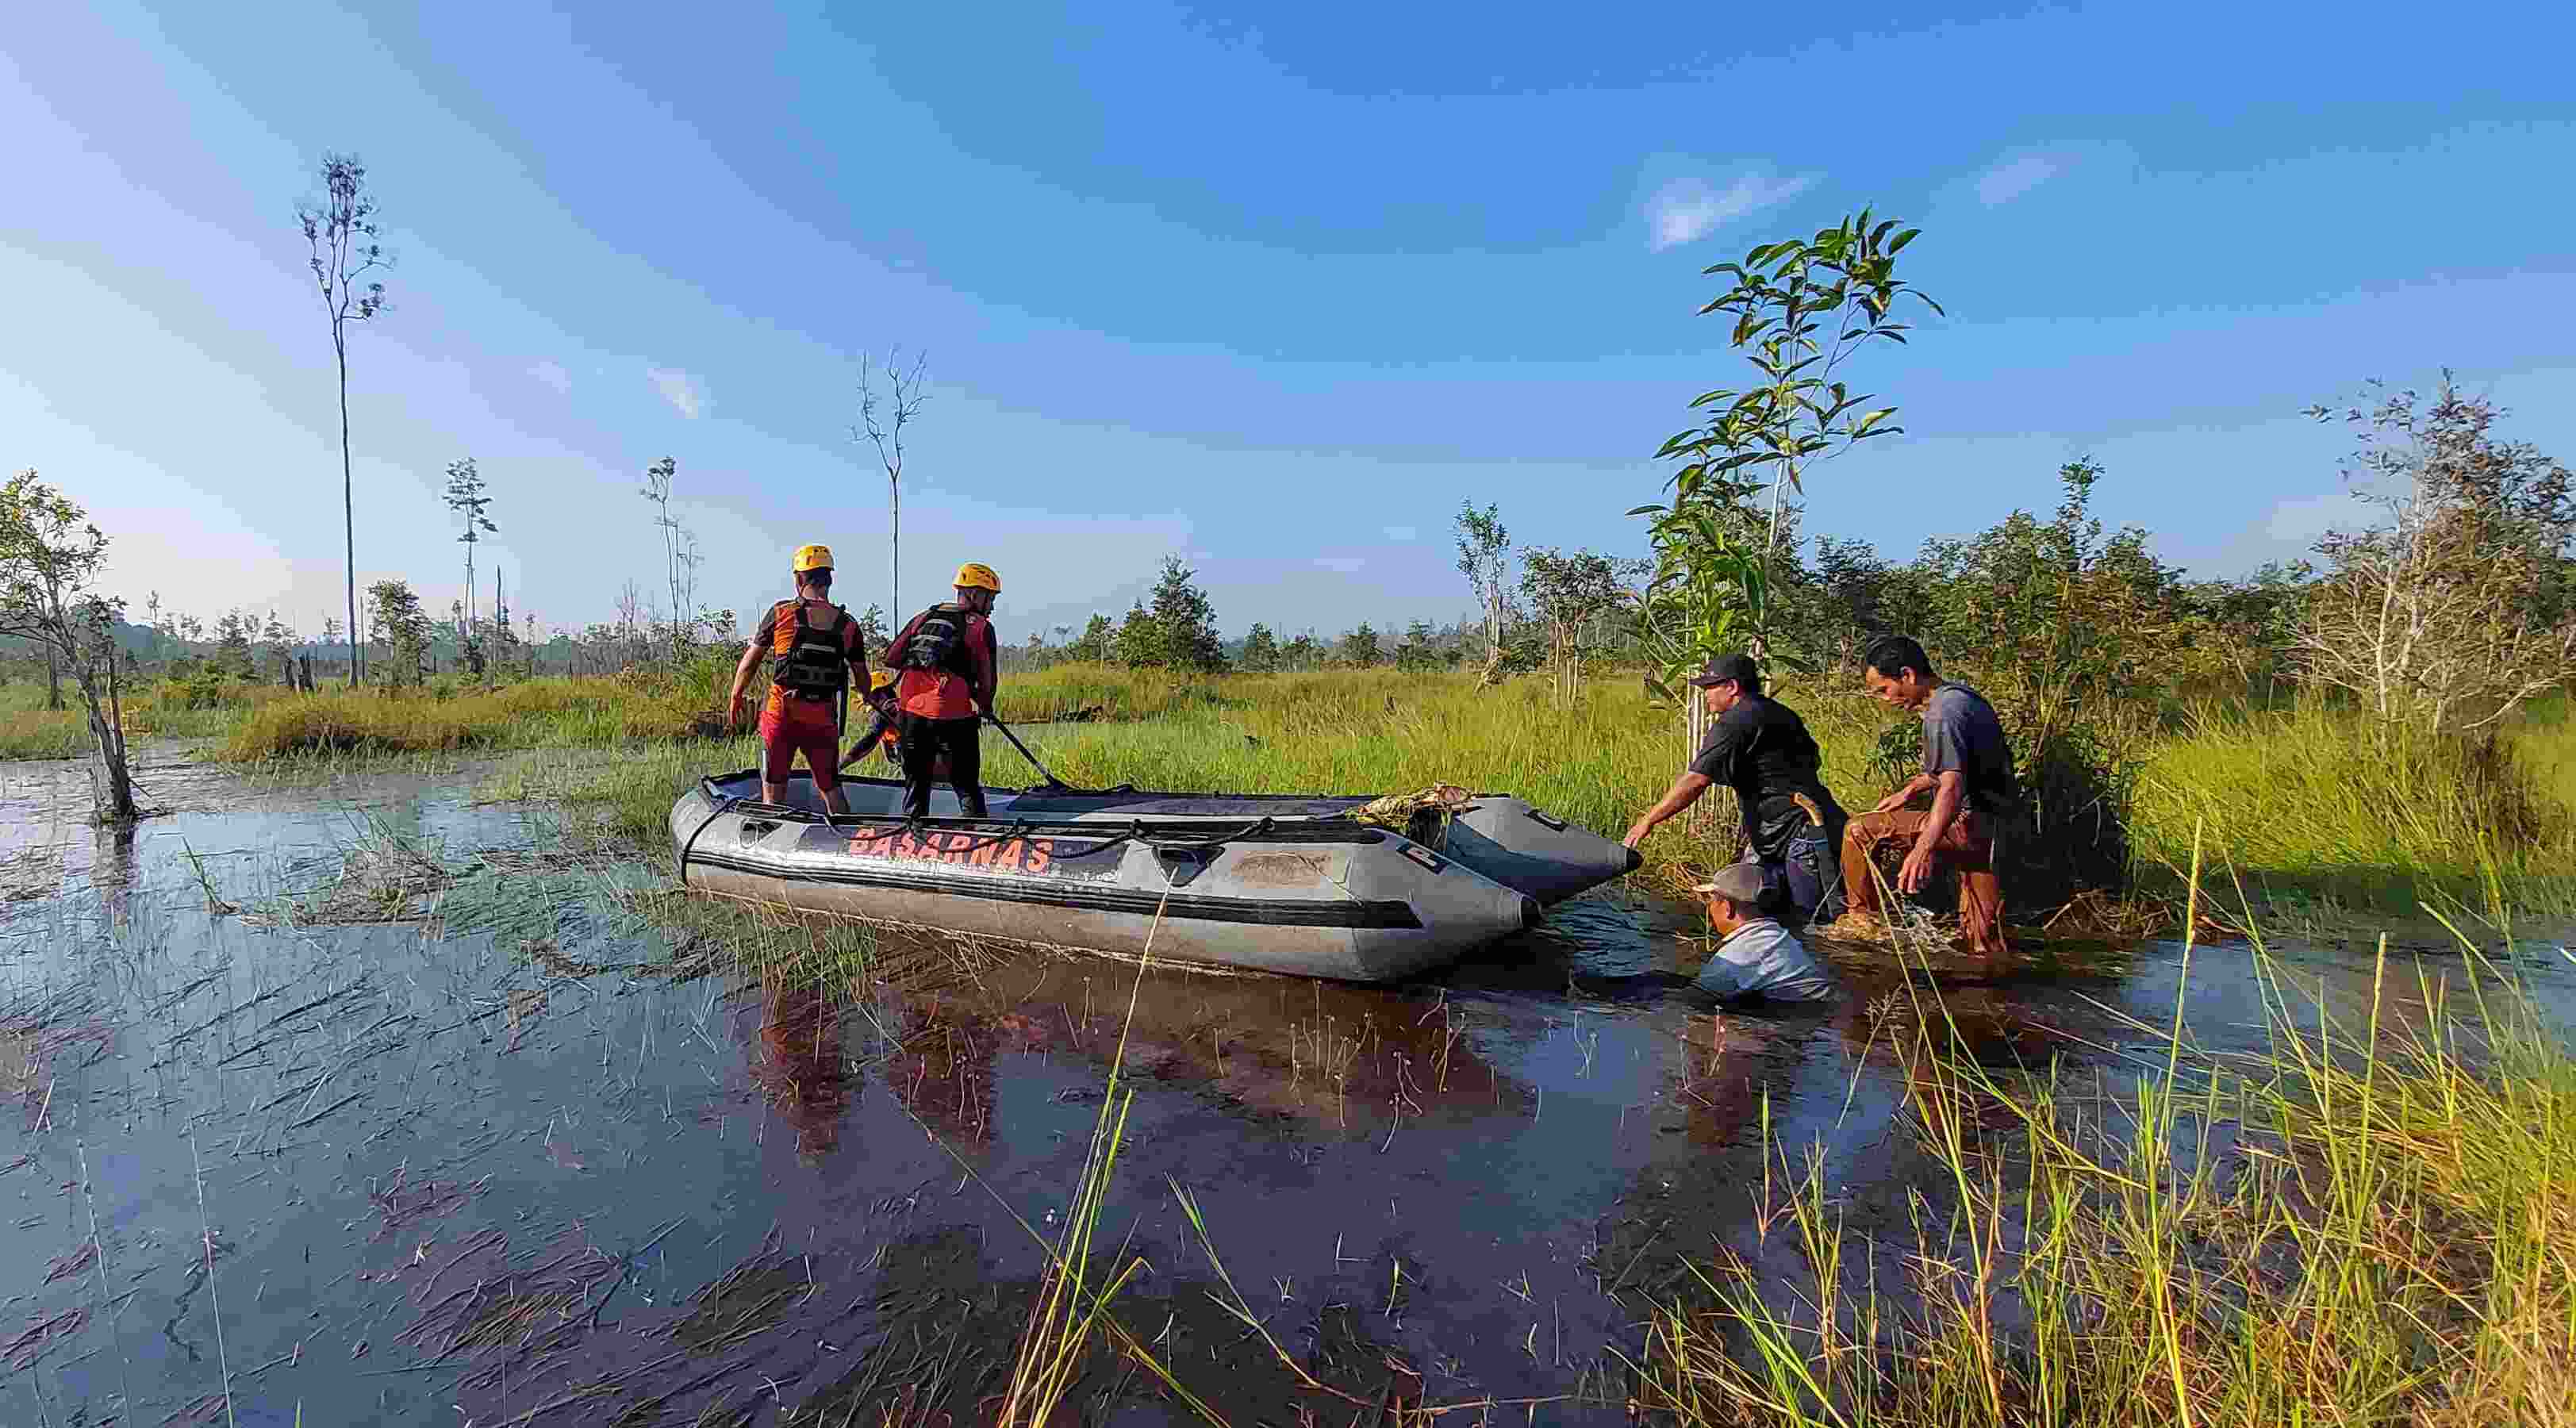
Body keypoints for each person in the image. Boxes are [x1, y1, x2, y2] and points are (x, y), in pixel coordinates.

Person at [1624, 653, 1847, 927]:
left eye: (1710, 687)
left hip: (1798, 833)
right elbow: (1814, 759)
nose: (1705, 695)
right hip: (1808, 826)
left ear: (1732, 687)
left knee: (1811, 925)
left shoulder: (1735, 721)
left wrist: (1647, 820)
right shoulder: (1781, 713)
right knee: (1767, 911)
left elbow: (1696, 781)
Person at [1833, 635, 2018, 959]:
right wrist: (1910, 790)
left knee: (1857, 831)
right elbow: (1962, 765)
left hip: (1969, 825)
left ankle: (1862, 924)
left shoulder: (1941, 714)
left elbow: (1951, 786)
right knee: (1984, 944)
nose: (1884, 699)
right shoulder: (1961, 697)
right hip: (1996, 829)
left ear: (1908, 675)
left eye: (1884, 689)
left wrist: (1922, 848)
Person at [726, 543, 870, 813]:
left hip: (781, 713)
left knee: (774, 787)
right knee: (830, 787)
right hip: (823, 717)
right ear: (829, 580)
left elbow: (751, 661)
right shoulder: (849, 624)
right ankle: (848, 840)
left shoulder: (781, 613)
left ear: (799, 579)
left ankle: (769, 836)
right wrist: (868, 696)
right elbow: (862, 679)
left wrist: (736, 695)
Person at [881, 562, 1003, 819]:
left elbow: (891, 658)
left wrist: (924, 663)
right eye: (990, 599)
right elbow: (988, 682)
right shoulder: (981, 627)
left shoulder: (923, 617)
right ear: (975, 594)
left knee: (916, 785)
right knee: (967, 786)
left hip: (911, 714)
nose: (991, 606)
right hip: (954, 716)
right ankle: (977, 840)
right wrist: (985, 706)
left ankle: (912, 834)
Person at [1689, 862, 1837, 1004]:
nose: (1710, 907)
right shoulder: (1777, 936)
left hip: (1802, 1016)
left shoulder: (1738, 955)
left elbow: (1692, 1000)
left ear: (1728, 908)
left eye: (1712, 900)